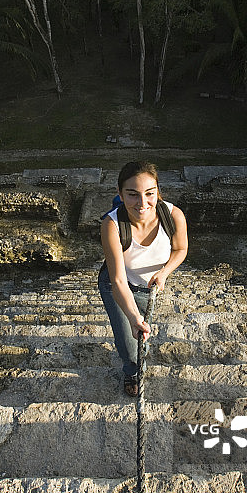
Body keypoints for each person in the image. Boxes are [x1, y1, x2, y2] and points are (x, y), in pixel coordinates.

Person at [98, 161, 188, 396]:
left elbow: (180, 249)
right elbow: (117, 280)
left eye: (149, 194)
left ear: (158, 191)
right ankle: (131, 370)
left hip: (149, 287)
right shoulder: (111, 225)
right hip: (117, 286)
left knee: (139, 335)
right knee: (129, 344)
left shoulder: (174, 216)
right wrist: (132, 316)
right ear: (120, 194)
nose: (142, 203)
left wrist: (164, 272)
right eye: (132, 195)